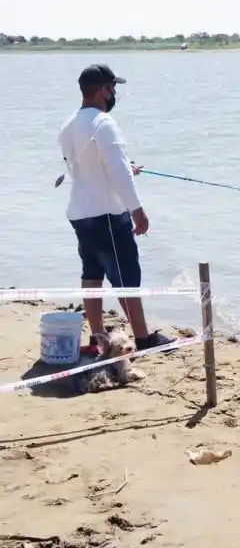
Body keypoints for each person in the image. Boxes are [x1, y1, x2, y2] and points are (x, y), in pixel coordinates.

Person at [58, 64, 172, 353]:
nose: (115, 93)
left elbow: (87, 170)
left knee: (92, 273)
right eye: (113, 88)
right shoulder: (104, 123)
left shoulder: (68, 125)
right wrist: (138, 210)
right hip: (107, 213)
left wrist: (125, 171)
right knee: (127, 278)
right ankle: (144, 338)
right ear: (102, 90)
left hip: (80, 213)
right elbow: (117, 172)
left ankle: (97, 337)